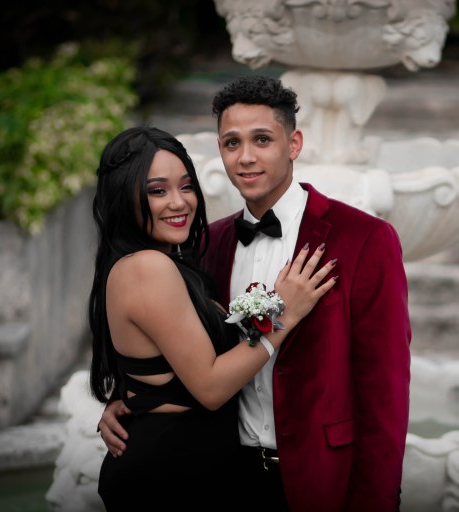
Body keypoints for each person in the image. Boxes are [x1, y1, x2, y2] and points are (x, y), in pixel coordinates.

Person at [99, 76, 412, 511]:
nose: (245, 157)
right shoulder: (206, 244)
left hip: (320, 479)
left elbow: (385, 391)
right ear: (220, 150)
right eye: (232, 143)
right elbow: (172, 344)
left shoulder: (364, 239)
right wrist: (129, 400)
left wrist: (376, 502)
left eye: (262, 139)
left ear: (294, 144)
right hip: (225, 478)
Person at [89, 126, 337, 511]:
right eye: (157, 191)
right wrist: (283, 314)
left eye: (186, 186)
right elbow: (209, 385)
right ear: (125, 196)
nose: (179, 202)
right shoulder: (148, 268)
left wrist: (126, 398)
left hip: (188, 465)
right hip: (169, 475)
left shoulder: (162, 263)